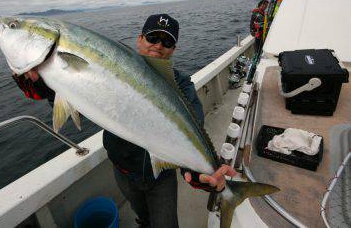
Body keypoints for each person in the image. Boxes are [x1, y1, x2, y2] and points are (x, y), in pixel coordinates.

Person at [13, 14, 236, 228]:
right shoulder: (112, 67)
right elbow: (81, 97)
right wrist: (49, 88)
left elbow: (189, 134)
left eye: (167, 42)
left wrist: (202, 174)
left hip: (160, 176)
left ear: (173, 50)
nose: (158, 45)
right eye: (152, 37)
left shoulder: (181, 86)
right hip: (122, 169)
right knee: (141, 215)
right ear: (139, 39)